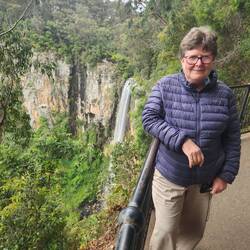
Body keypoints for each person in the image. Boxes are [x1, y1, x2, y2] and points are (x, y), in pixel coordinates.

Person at [142, 26, 241, 250]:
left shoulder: (225, 94)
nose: (199, 63)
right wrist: (183, 141)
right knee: (166, 230)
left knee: (193, 231)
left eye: (205, 57)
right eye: (193, 56)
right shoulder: (165, 86)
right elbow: (149, 118)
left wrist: (226, 175)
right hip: (170, 175)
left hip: (204, 180)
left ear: (213, 60)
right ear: (182, 59)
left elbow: (232, 137)